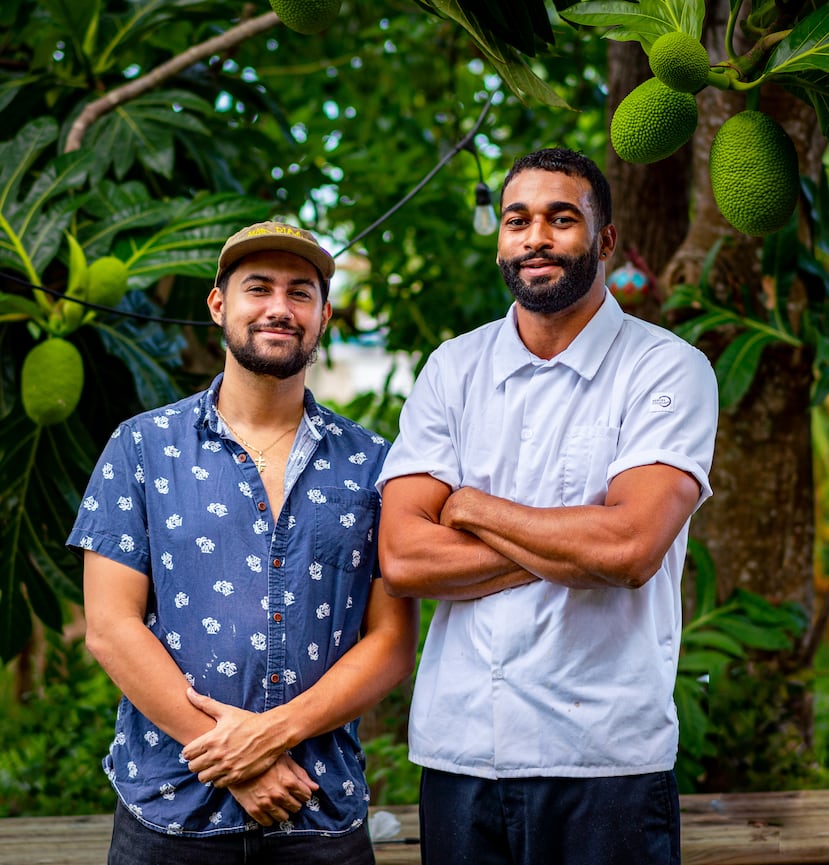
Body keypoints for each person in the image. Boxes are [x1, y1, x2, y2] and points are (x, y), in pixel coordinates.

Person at [377, 148, 719, 865]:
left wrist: (469, 506)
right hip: (461, 749)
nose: (535, 237)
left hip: (605, 758)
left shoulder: (665, 368)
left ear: (604, 241)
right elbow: (404, 557)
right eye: (517, 220)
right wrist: (569, 545)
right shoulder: (453, 368)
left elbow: (627, 550)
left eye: (561, 219)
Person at [69, 220, 417, 865]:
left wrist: (270, 737)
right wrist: (241, 764)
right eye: (259, 288)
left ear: (324, 315)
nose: (280, 308)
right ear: (219, 304)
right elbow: (110, 627)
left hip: (317, 807)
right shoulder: (144, 446)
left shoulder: (374, 463)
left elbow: (392, 641)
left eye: (300, 292)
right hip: (169, 806)